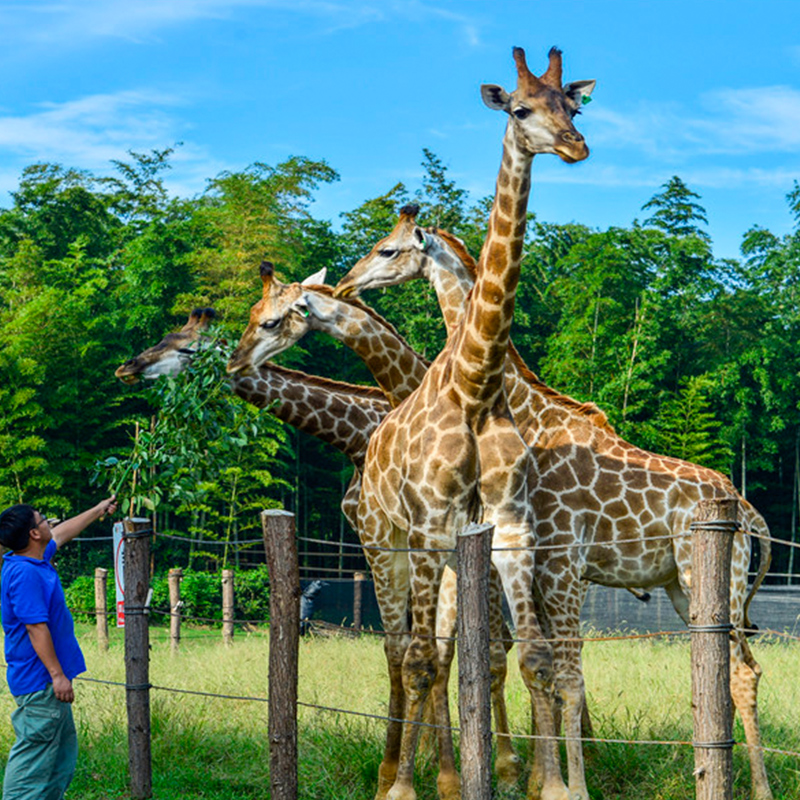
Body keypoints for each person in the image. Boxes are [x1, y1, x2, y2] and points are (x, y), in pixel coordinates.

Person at [0, 496, 117, 800]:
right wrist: (57, 675)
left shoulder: (32, 558)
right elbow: (35, 628)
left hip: (46, 682)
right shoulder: (25, 573)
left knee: (56, 761)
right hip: (41, 682)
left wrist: (97, 508)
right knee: (33, 763)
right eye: (42, 520)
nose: (48, 522)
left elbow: (63, 533)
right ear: (34, 534)